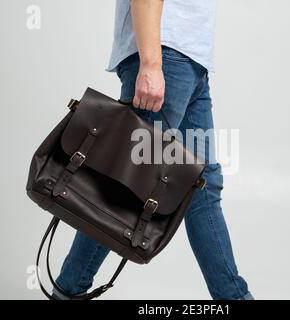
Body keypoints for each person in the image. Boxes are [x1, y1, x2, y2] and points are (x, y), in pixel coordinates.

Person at [53, 0, 253, 300]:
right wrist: (150, 63)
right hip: (165, 57)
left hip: (190, 65)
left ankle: (234, 297)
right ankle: (67, 292)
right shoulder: (159, 60)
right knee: (127, 188)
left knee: (202, 187)